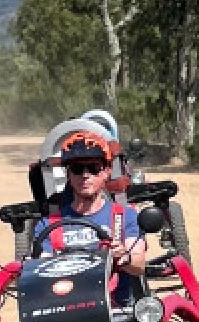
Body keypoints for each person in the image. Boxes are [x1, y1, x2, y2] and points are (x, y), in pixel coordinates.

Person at [33, 130, 146, 305]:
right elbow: (40, 269)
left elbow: (139, 264)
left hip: (118, 311)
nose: (85, 175)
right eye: (77, 169)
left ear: (106, 172)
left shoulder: (125, 216)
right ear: (68, 175)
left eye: (93, 168)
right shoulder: (48, 224)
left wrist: (124, 256)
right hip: (66, 311)